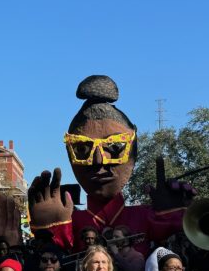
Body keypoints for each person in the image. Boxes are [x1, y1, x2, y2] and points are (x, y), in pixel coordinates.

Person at [26, 75, 192, 257]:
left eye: (115, 147)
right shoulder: (72, 223)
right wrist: (51, 231)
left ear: (134, 152)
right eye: (81, 148)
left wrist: (174, 219)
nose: (99, 161)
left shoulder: (147, 217)